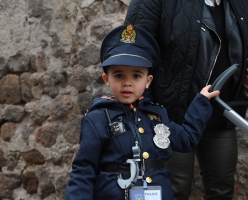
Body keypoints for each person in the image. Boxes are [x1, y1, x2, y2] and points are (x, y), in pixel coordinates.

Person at [124, 0, 248, 199]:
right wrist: (145, 109)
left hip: (223, 114)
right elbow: (134, 47)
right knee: (172, 190)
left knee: (221, 189)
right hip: (169, 117)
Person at [64, 24, 220, 200]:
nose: (127, 83)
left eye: (136, 76)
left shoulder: (157, 116)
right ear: (106, 79)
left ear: (148, 81)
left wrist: (202, 102)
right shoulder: (97, 119)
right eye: (119, 75)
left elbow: (187, 140)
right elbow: (83, 171)